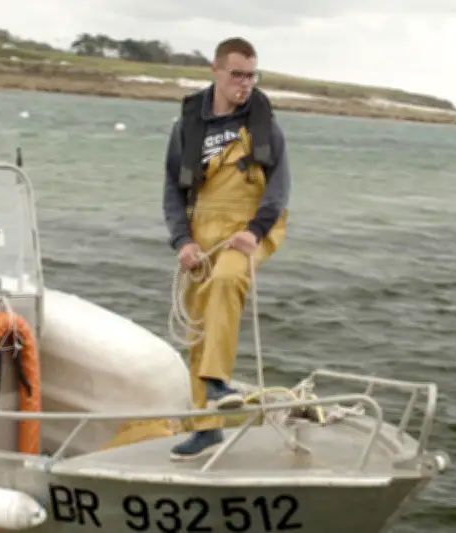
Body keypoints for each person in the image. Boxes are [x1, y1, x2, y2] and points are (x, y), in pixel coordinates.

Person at [163, 37, 291, 460]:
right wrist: (182, 240)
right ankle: (206, 428)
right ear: (215, 71)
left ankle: (218, 382)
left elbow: (280, 188)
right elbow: (171, 190)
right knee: (199, 327)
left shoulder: (264, 124)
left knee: (227, 278)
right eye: (237, 74)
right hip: (202, 229)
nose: (245, 83)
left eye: (251, 75)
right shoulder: (187, 127)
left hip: (250, 226)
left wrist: (254, 231)